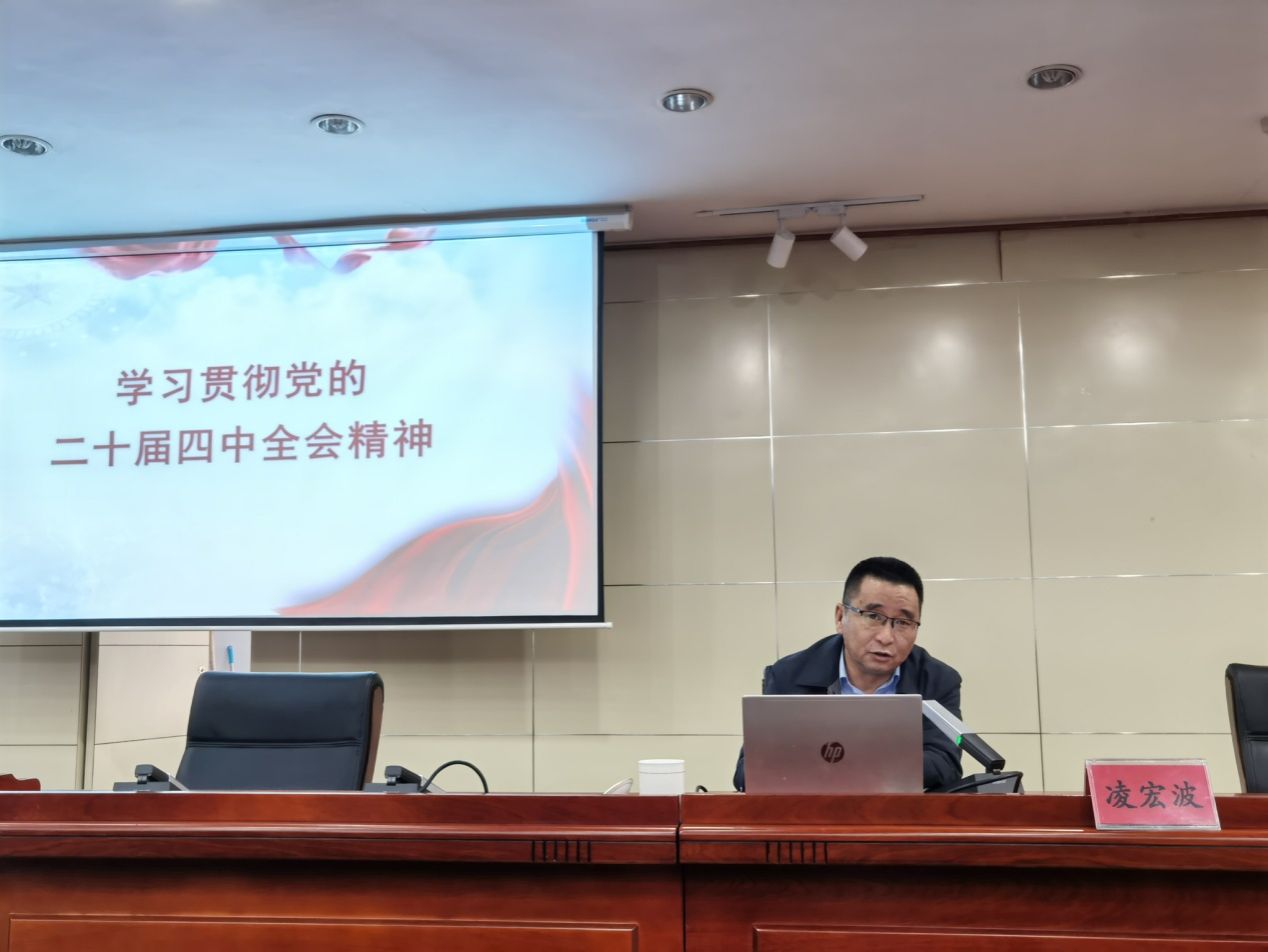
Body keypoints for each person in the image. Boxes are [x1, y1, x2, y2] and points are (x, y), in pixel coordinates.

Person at [733, 556, 962, 791]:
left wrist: (847, 764)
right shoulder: (789, 675)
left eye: (903, 622)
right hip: (811, 810)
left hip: (896, 811)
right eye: (873, 616)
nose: (886, 637)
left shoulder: (938, 681)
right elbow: (747, 772)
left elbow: (945, 764)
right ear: (840, 617)